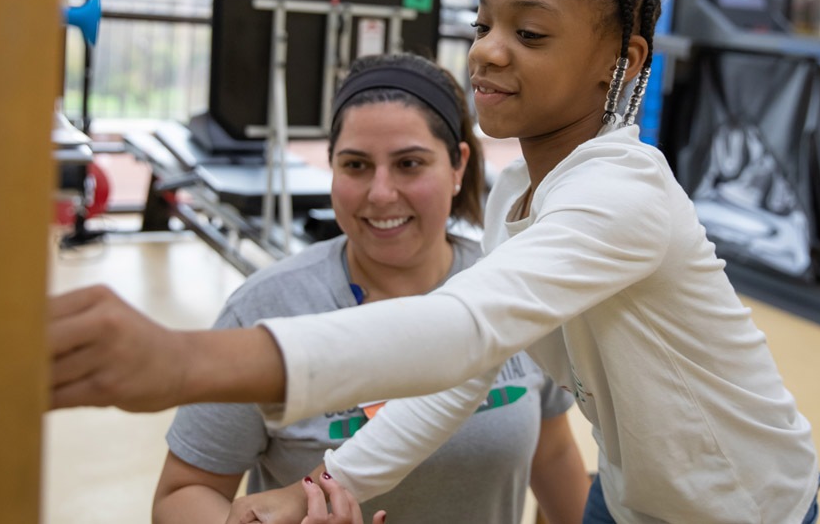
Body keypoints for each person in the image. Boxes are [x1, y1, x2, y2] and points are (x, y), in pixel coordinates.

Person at [49, 0, 820, 523]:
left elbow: (461, 330)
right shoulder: (523, 190)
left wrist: (182, 361)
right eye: (485, 23)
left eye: (530, 33)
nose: (486, 50)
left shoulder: (625, 195)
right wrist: (321, 485)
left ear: (619, 60)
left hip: (739, 508)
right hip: (628, 498)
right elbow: (463, 370)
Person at [151, 53, 589, 524]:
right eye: (356, 165)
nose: (381, 193)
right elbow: (182, 492)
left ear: (458, 164)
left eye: (409, 164)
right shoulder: (267, 309)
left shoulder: (512, 289)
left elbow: (552, 452)